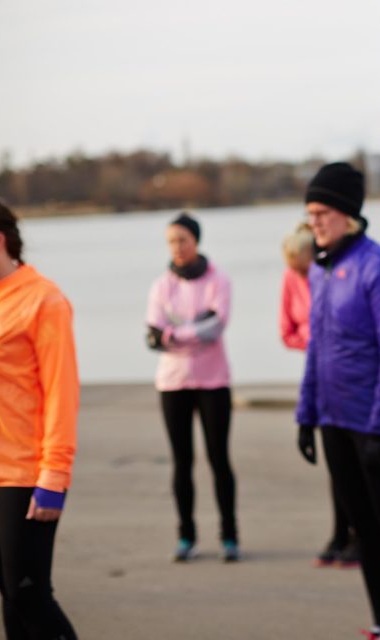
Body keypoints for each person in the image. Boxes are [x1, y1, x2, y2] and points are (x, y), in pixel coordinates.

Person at [295, 162, 380, 640]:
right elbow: (316, 347)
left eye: (322, 212)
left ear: (347, 215)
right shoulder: (320, 269)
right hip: (334, 422)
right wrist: (305, 415)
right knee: (364, 531)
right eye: (309, 213)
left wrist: (378, 428)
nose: (313, 222)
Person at [0, 199, 79, 639]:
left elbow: (63, 393)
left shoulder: (44, 300)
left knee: (30, 594)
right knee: (10, 598)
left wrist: (54, 474)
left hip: (26, 473)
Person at [146, 212, 240, 562]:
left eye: (182, 240)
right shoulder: (161, 286)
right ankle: (186, 535)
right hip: (173, 384)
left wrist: (175, 332)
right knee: (181, 462)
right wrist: (190, 330)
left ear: (196, 241)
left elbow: (217, 326)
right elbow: (153, 336)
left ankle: (229, 535)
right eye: (171, 241)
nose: (177, 247)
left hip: (214, 381)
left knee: (219, 460)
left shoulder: (219, 281)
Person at [280, 222, 360, 568]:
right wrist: (315, 343)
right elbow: (287, 331)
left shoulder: (331, 273)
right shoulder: (292, 279)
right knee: (336, 462)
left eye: (302, 265)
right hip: (319, 369)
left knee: (356, 463)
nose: (299, 272)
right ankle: (339, 532)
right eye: (294, 267)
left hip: (348, 372)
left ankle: (361, 534)